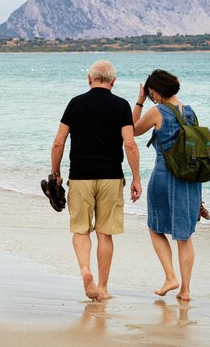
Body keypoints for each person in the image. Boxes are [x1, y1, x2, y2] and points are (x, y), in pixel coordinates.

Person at [50, 60, 142, 302]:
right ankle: (102, 287)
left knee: (81, 230)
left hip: (80, 177)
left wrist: (55, 172)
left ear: (89, 80)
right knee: (105, 234)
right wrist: (136, 178)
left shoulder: (75, 103)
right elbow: (130, 143)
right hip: (111, 177)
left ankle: (84, 270)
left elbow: (59, 141)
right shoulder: (121, 105)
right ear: (113, 81)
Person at [132, 69, 201, 301]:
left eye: (151, 94)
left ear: (155, 91)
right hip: (190, 180)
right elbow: (196, 153)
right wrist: (199, 199)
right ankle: (186, 290)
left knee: (155, 227)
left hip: (164, 176)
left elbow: (131, 130)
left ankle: (170, 277)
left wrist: (140, 101)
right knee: (185, 235)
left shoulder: (157, 111)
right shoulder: (190, 112)